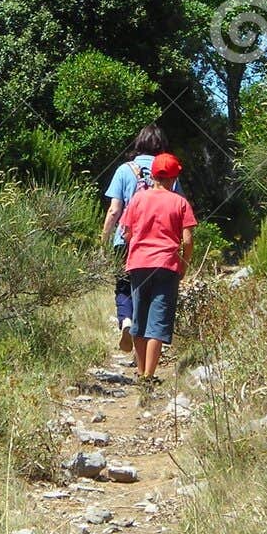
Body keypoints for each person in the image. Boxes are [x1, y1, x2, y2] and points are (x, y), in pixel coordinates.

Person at [118, 151, 196, 389]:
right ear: (174, 178)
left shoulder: (138, 199)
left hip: (139, 264)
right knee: (158, 322)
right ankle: (148, 376)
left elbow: (125, 232)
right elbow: (188, 238)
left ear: (152, 175)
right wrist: (184, 263)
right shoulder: (180, 202)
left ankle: (141, 371)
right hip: (167, 265)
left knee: (139, 320)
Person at [101, 124, 170, 364]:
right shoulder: (167, 171)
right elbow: (177, 205)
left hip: (125, 239)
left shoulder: (124, 170)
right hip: (158, 245)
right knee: (152, 296)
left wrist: (104, 240)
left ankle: (126, 320)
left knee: (123, 285)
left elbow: (114, 210)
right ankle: (148, 352)